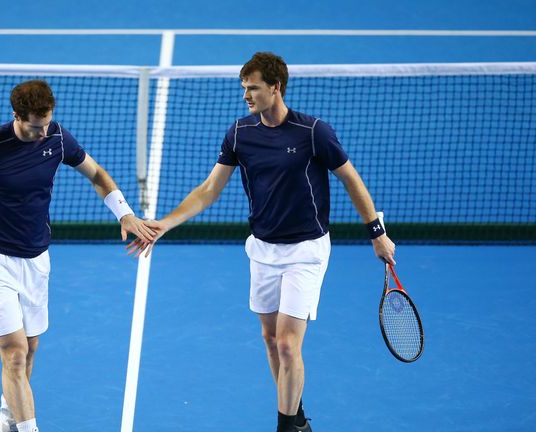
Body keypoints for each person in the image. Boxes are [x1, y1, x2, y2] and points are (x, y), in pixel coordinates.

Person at [128, 52, 396, 432]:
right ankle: (297, 417)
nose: (246, 96)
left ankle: (286, 427)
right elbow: (208, 190)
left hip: (306, 250)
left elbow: (350, 178)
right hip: (263, 250)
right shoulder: (240, 133)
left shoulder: (313, 133)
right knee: (271, 341)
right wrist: (165, 224)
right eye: (244, 88)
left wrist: (376, 232)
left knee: (288, 345)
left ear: (276, 87)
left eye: (253, 88)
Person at [0, 79, 157, 432]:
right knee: (14, 354)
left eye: (47, 123)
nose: (42, 132)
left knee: (30, 349)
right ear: (17, 116)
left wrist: (123, 212)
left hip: (37, 259)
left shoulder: (57, 138)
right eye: (35, 126)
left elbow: (96, 174)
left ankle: (6, 423)